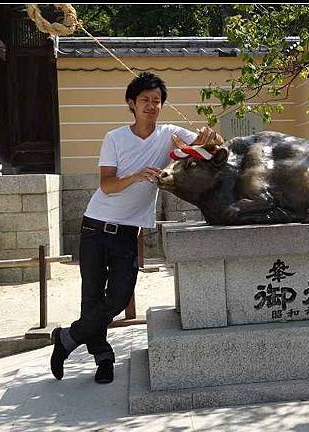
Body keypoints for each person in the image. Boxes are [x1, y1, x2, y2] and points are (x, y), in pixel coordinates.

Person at [50, 72, 224, 384]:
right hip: (95, 227)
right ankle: (103, 359)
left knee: (117, 298)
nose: (151, 105)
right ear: (131, 103)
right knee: (91, 298)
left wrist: (209, 137)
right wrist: (136, 176)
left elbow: (208, 148)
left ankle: (66, 338)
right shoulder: (115, 138)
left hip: (128, 233)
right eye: (144, 100)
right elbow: (106, 185)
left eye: (156, 101)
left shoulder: (169, 134)